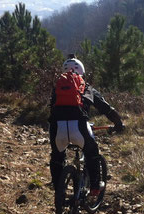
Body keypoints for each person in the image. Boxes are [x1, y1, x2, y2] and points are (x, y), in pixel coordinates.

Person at [49, 55, 124, 197]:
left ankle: (58, 189)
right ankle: (95, 186)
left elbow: (51, 110)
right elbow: (106, 109)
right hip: (79, 128)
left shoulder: (57, 88)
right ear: (82, 71)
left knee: (57, 156)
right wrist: (118, 123)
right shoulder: (87, 88)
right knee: (92, 152)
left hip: (57, 128)